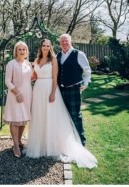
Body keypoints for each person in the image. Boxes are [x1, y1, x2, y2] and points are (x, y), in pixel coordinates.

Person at [26, 39, 96, 168]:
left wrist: (53, 92)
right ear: (40, 47)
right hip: (38, 89)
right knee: (39, 115)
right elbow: (33, 76)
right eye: (44, 45)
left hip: (52, 88)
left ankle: (79, 141)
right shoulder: (39, 59)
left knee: (71, 115)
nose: (46, 47)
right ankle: (41, 143)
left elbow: (55, 77)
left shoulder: (55, 58)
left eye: (48, 45)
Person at [57, 34, 92, 146]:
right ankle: (67, 140)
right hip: (60, 91)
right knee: (63, 115)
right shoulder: (58, 55)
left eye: (66, 41)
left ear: (70, 41)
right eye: (62, 41)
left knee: (76, 115)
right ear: (59, 43)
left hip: (73, 90)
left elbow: (87, 70)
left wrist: (85, 83)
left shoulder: (79, 54)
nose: (64, 43)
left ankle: (81, 140)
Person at [3, 41, 33, 159]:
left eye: (24, 49)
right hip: (15, 95)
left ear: (26, 52)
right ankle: (15, 145)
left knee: (23, 119)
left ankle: (19, 141)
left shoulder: (28, 64)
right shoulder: (11, 64)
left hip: (28, 94)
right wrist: (17, 93)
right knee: (15, 119)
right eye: (19, 49)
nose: (22, 51)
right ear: (16, 51)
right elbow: (7, 81)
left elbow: (30, 78)